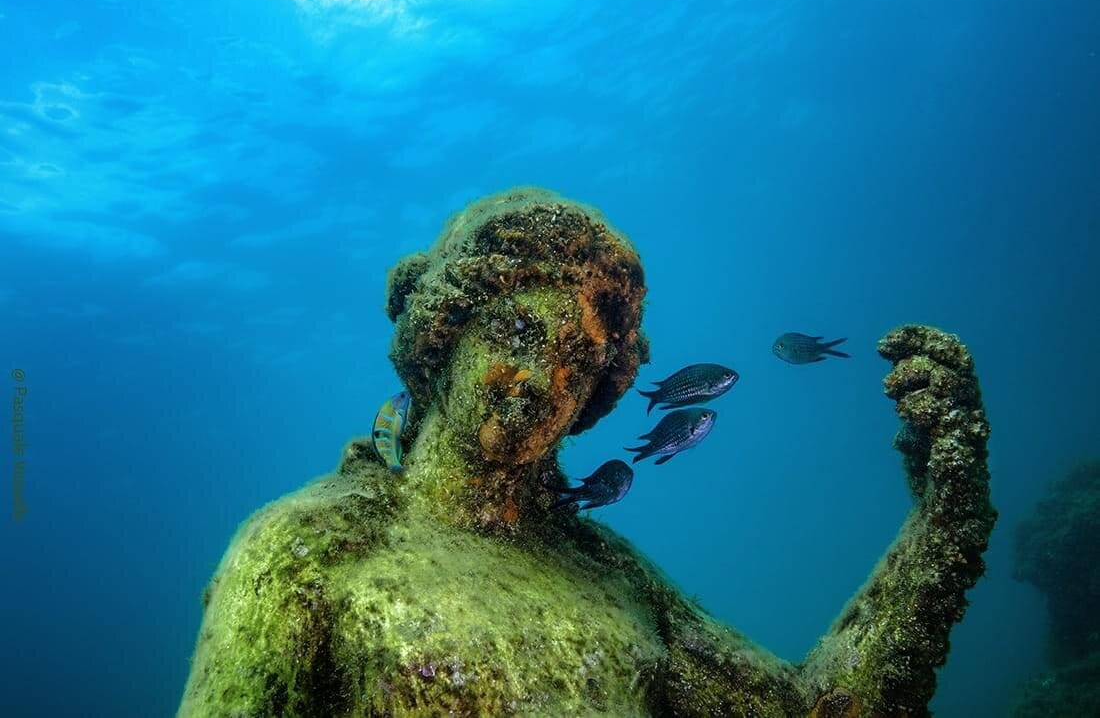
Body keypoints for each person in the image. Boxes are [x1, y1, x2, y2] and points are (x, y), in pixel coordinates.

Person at [178, 188, 995, 717]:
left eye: (578, 361)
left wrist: (941, 521)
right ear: (444, 337)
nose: (542, 378)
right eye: (519, 333)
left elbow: (817, 710)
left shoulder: (619, 586)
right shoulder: (305, 559)